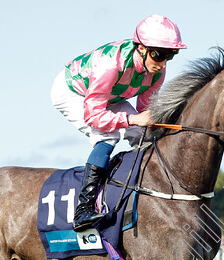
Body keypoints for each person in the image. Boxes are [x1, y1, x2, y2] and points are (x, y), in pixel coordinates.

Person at [51, 14, 186, 231]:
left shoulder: (156, 71)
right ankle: (83, 209)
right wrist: (132, 119)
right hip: (73, 92)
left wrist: (155, 125)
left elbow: (145, 111)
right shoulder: (109, 65)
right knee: (107, 135)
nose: (162, 64)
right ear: (141, 48)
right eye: (158, 55)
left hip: (110, 97)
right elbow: (93, 116)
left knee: (143, 136)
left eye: (170, 55)